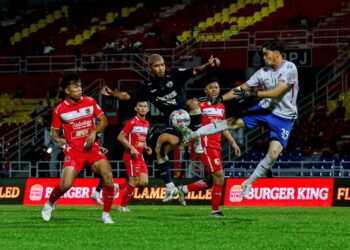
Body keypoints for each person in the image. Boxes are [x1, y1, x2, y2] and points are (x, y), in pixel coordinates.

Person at [182, 38, 299, 199]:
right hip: (265, 109)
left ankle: (248, 183)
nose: (263, 57)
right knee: (232, 123)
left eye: (266, 54)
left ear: (277, 54)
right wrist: (221, 99)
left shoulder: (290, 68)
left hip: (284, 117)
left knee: (273, 154)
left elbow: (276, 92)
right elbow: (241, 89)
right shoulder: (262, 72)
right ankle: (195, 134)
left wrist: (252, 93)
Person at [101, 53, 220, 202]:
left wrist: (208, 65)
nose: (161, 68)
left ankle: (197, 138)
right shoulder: (148, 88)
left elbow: (195, 71)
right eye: (157, 66)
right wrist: (112, 93)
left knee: (193, 103)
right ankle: (170, 187)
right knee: (160, 150)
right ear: (150, 68)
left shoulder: (175, 75)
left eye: (162, 64)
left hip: (186, 115)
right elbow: (127, 96)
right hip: (173, 122)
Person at [41, 73, 118, 224]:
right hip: (74, 151)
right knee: (66, 184)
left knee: (108, 178)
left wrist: (94, 132)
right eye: (75, 86)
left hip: (93, 149)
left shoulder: (90, 101)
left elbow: (104, 121)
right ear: (67, 91)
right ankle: (49, 204)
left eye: (80, 85)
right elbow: (53, 133)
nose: (80, 88)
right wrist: (61, 142)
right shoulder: (59, 110)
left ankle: (106, 214)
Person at [177, 78, 241, 217]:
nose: (214, 90)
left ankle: (184, 189)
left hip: (216, 145)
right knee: (219, 176)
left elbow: (222, 126)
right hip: (204, 144)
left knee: (211, 180)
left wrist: (233, 142)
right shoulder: (200, 104)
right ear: (205, 90)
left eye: (216, 87)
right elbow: (186, 118)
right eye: (211, 87)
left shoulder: (221, 107)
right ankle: (215, 211)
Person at [91, 101, 152, 212]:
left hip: (140, 156)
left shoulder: (146, 123)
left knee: (144, 182)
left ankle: (117, 187)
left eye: (145, 106)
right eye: (140, 106)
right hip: (131, 156)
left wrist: (146, 147)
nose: (143, 108)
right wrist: (131, 148)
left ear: (148, 109)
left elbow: (142, 139)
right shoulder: (132, 122)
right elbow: (120, 137)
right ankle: (122, 206)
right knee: (133, 180)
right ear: (136, 109)